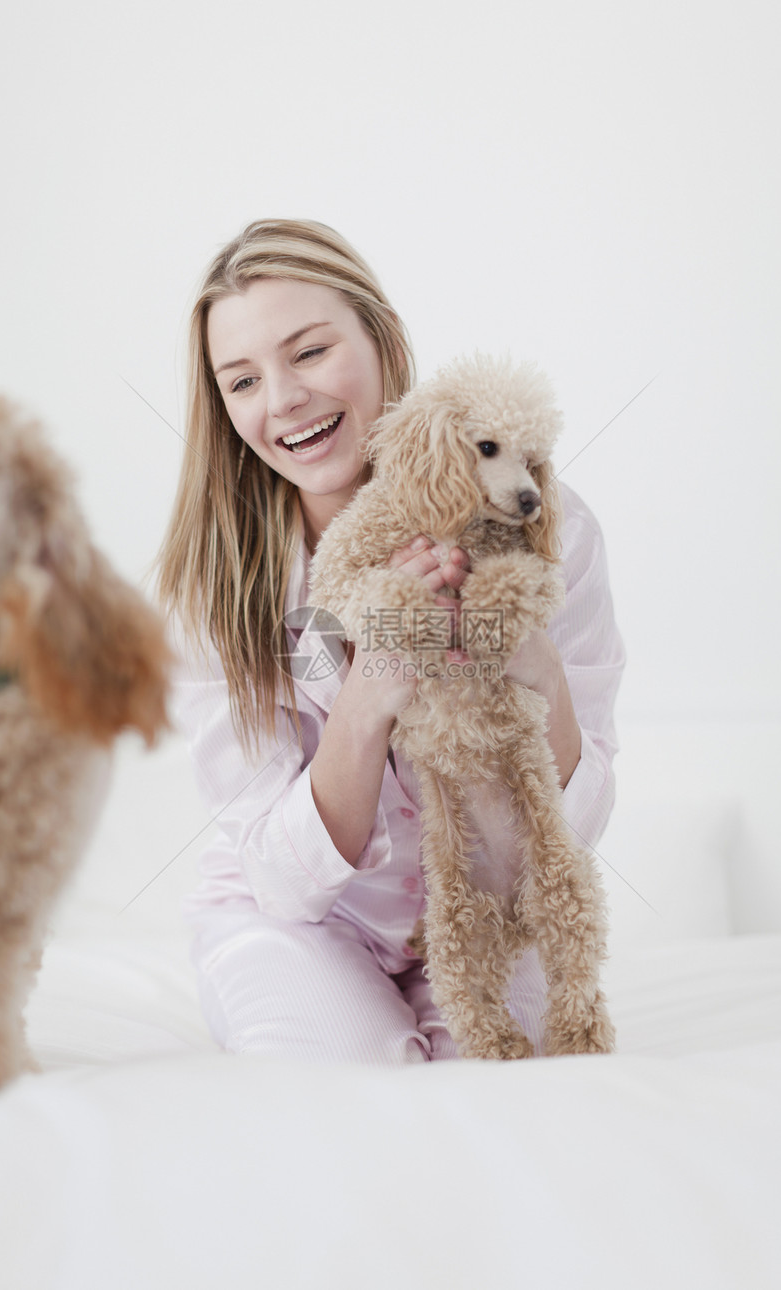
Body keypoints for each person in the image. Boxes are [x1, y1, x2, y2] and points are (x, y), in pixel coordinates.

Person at [156, 218, 625, 1065]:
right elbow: (283, 881)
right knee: (350, 1071)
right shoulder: (212, 587)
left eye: (308, 352)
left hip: (482, 899)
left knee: (506, 1082)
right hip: (300, 919)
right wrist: (371, 687)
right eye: (242, 381)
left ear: (383, 341)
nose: (284, 399)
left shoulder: (538, 518)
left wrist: (538, 670)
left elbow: (576, 824)